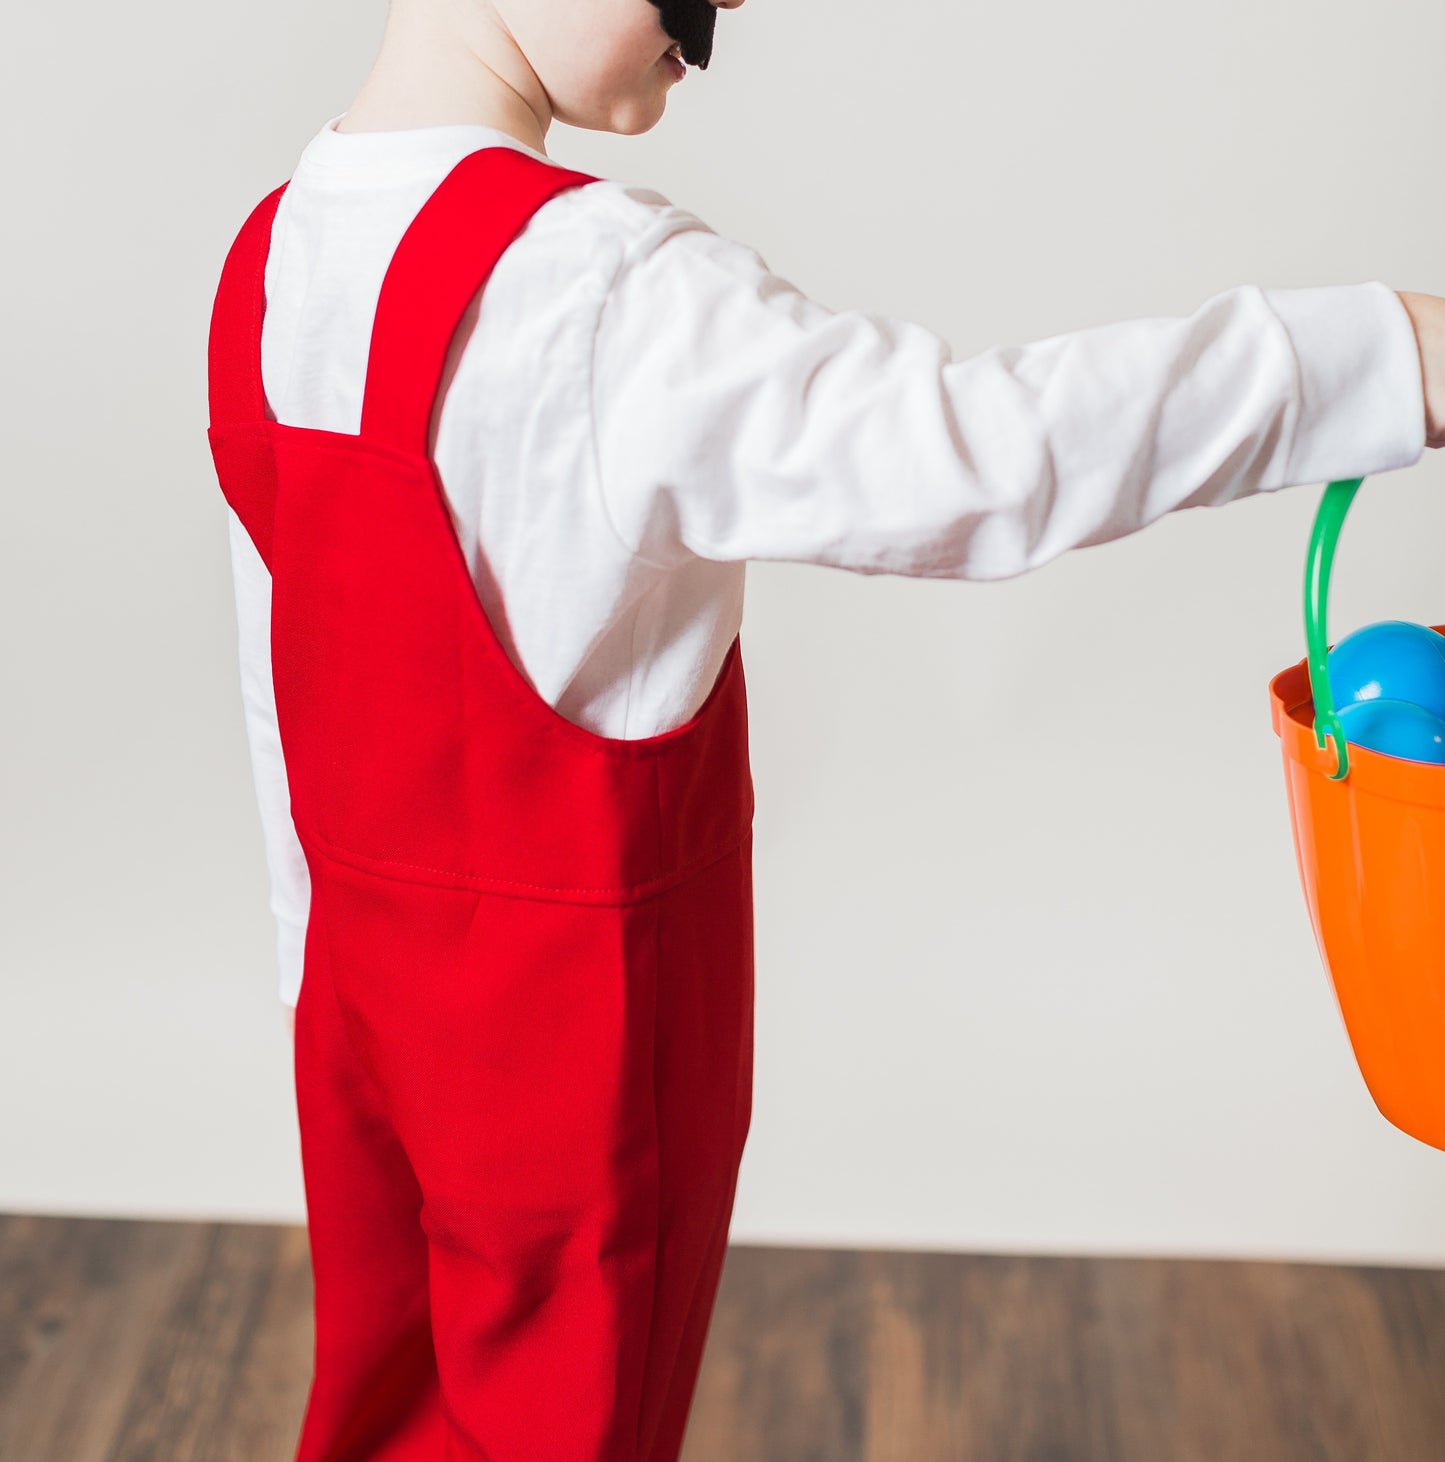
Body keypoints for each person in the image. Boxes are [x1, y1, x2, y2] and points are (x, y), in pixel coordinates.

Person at [211, 0, 1445, 1456]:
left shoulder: (276, 251)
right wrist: (1373, 355)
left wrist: (315, 977)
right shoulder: (610, 297)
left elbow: (276, 688)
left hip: (358, 1029)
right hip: (579, 1080)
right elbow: (981, 456)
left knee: (384, 1414)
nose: (725, 16)